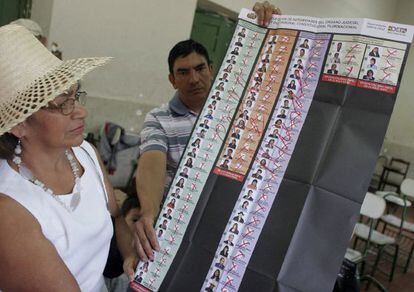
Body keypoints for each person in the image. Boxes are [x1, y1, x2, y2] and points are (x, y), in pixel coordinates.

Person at [134, 3, 282, 262]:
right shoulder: (159, 119)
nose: (194, 79)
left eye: (200, 69)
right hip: (181, 224)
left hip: (231, 222)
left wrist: (276, 30)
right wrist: (149, 212)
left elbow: (269, 77)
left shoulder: (237, 109)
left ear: (211, 69)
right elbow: (151, 164)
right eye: (183, 72)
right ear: (172, 79)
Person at [0, 24, 137, 291]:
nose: (81, 112)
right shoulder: (10, 209)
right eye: (61, 103)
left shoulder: (85, 154)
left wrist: (130, 251)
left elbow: (117, 217)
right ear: (19, 125)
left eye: (75, 95)